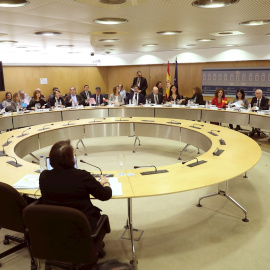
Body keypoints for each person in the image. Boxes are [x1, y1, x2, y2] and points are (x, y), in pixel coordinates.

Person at [39, 140, 112, 231]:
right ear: (71, 158)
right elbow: (105, 195)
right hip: (83, 227)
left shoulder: (44, 176)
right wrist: (105, 183)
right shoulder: (82, 176)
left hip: (55, 225)